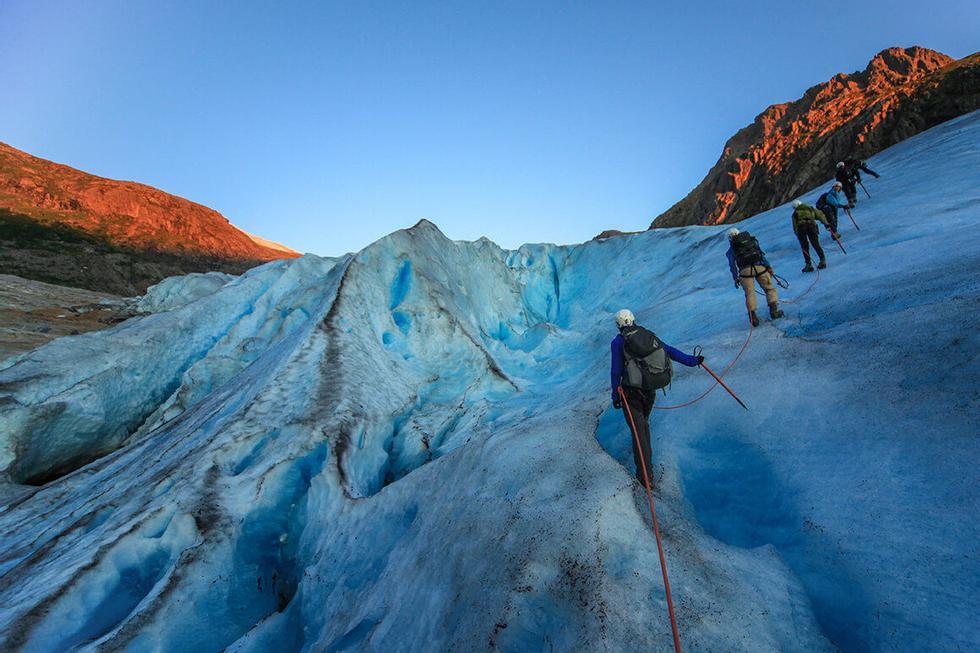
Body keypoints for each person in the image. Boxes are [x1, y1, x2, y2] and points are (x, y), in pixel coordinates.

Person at [610, 309, 702, 484]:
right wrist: (693, 361)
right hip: (649, 391)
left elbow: (615, 371)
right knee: (643, 427)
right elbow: (670, 351)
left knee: (639, 432)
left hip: (631, 393)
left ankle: (645, 475)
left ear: (618, 325)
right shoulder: (647, 335)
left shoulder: (618, 342)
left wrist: (616, 395)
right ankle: (647, 469)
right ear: (633, 320)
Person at [726, 228, 784, 326]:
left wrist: (736, 278)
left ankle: (753, 318)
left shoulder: (731, 249)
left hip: (745, 271)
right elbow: (761, 254)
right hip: (760, 267)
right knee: (769, 289)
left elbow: (732, 265)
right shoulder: (751, 241)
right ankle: (774, 311)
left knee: (750, 293)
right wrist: (768, 267)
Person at [791, 199, 838, 272]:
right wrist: (826, 224)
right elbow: (820, 215)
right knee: (816, 244)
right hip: (812, 226)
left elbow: (795, 226)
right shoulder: (810, 208)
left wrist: (797, 233)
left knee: (805, 247)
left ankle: (808, 265)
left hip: (801, 228)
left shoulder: (795, 213)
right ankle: (822, 261)